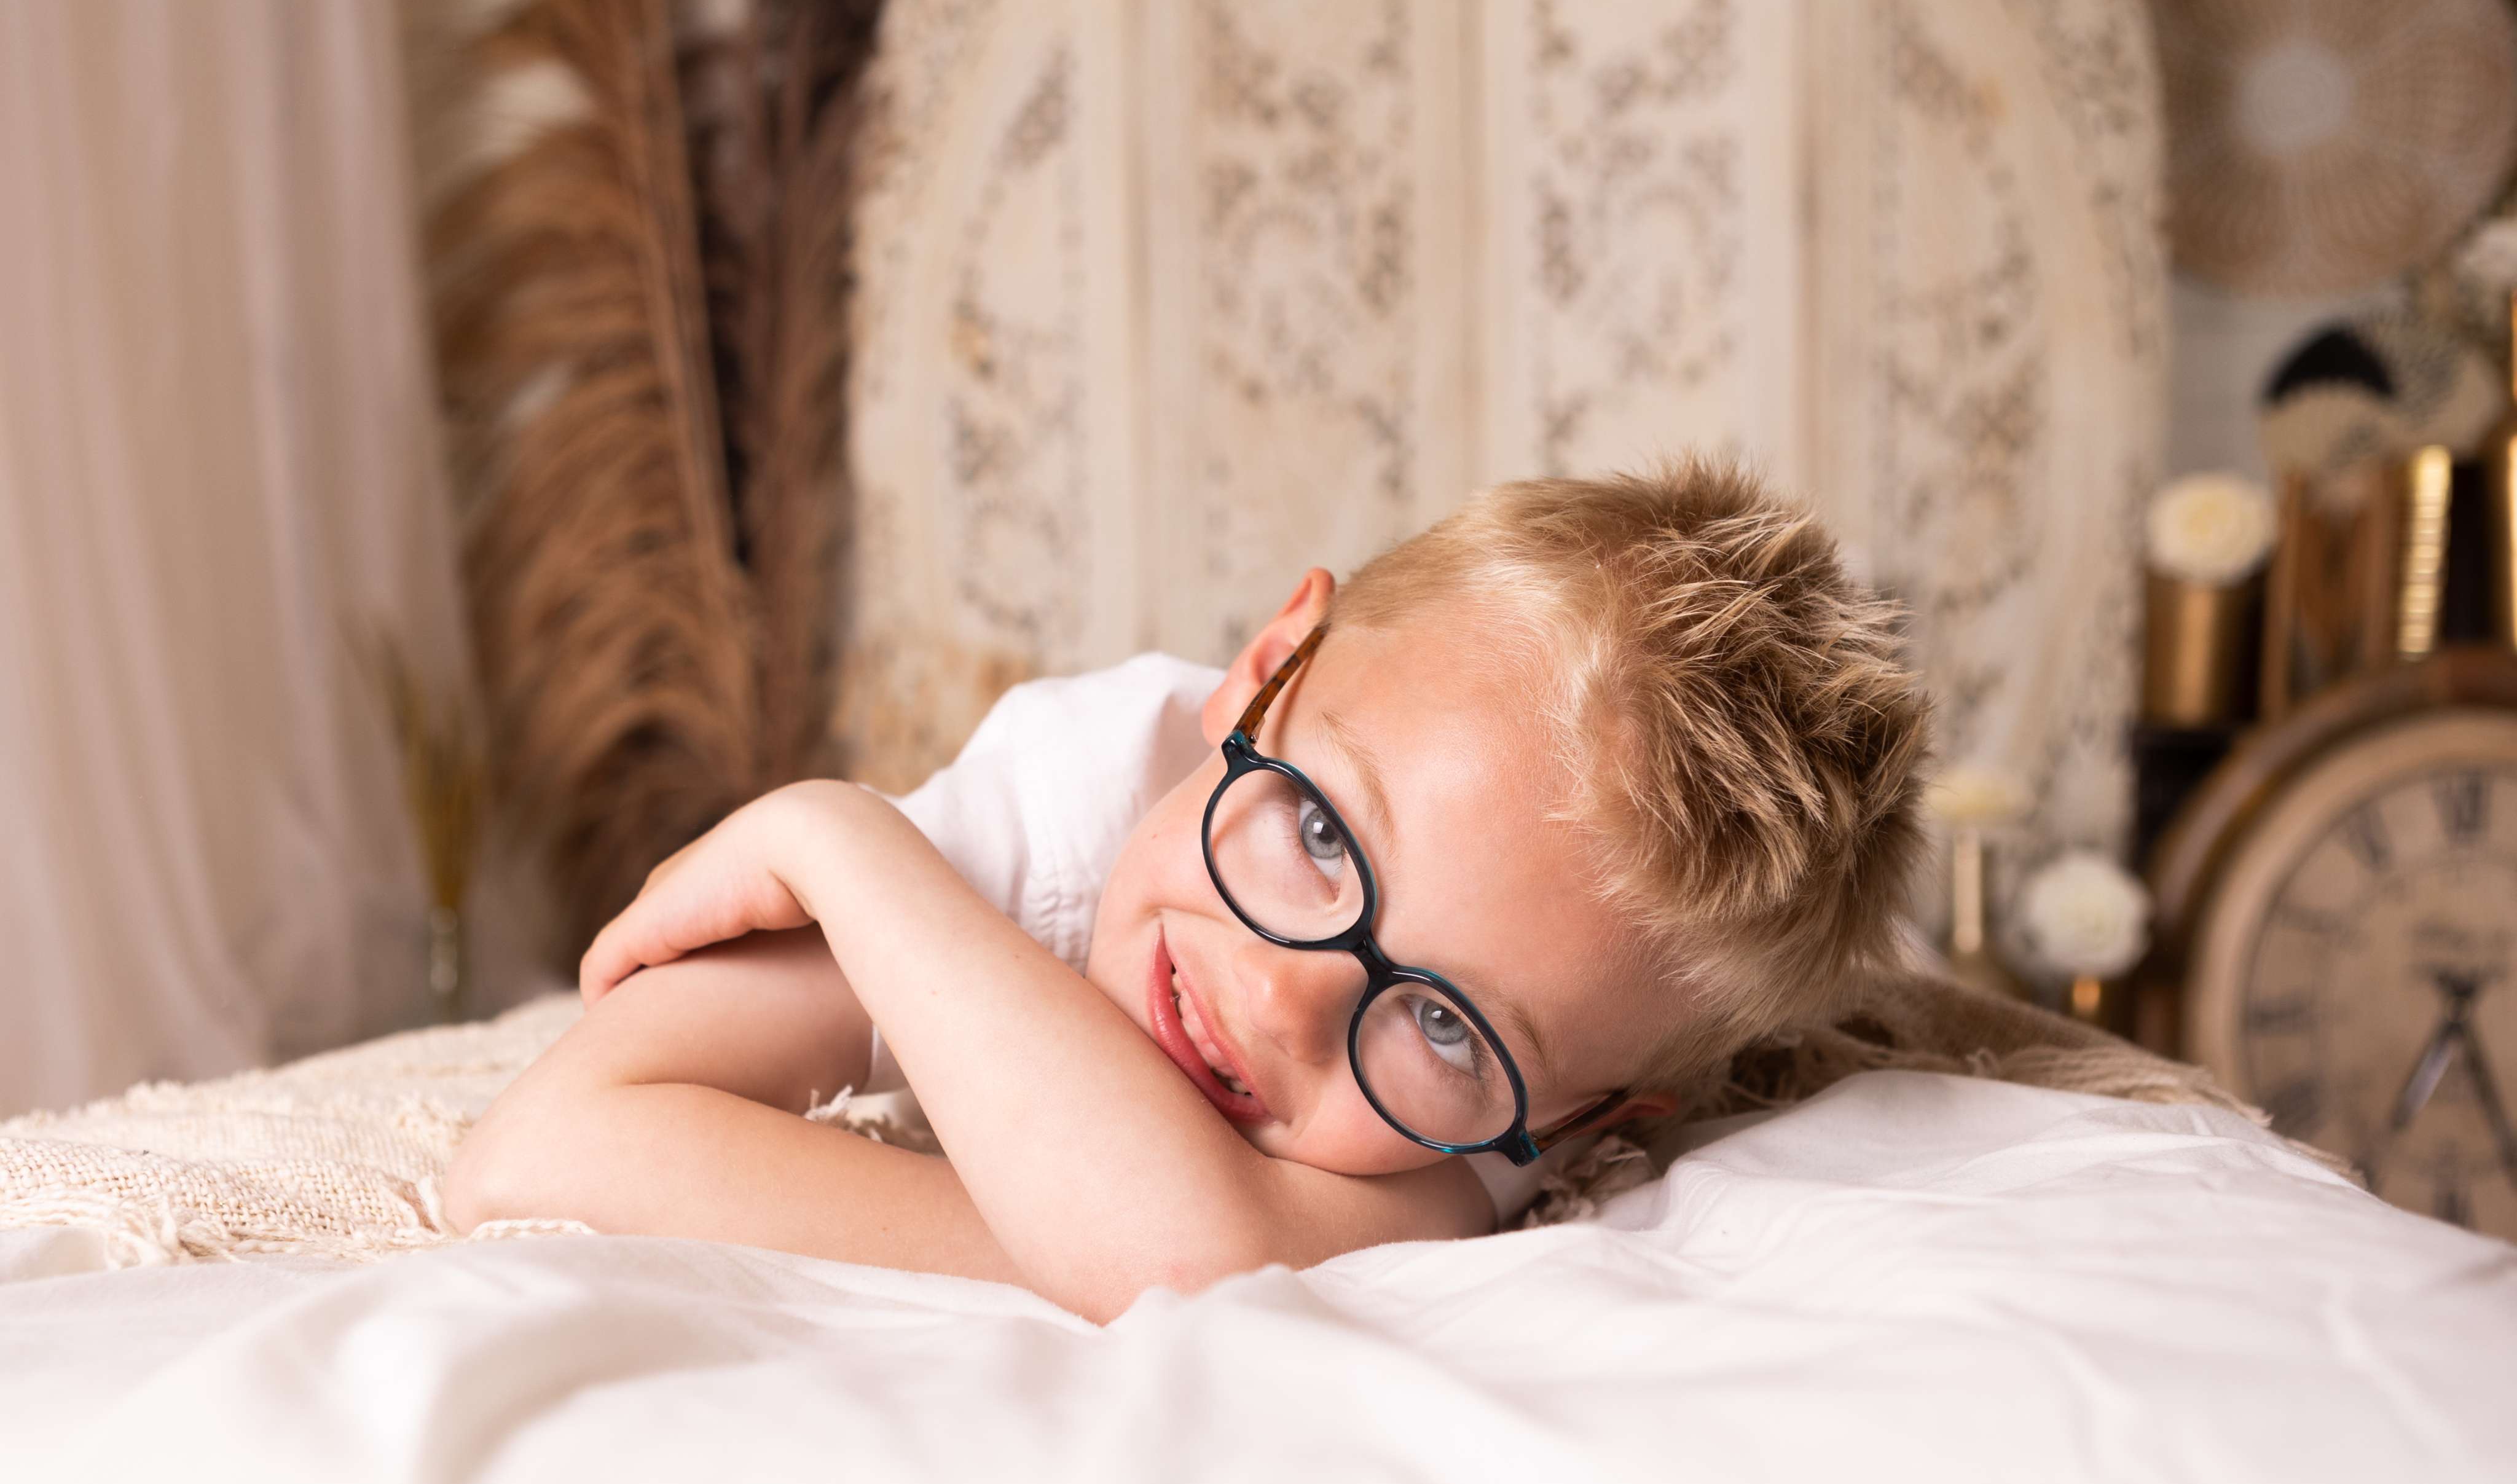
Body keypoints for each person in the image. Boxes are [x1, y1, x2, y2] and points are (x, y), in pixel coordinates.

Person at [444, 457, 1934, 1324]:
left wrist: (834, 842)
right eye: (1326, 839)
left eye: (1438, 1022)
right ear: (1265, 668)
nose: (1286, 994)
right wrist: (1073, 1199)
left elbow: (1177, 1264)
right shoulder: (1052, 810)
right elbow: (538, 1145)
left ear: (1586, 1123)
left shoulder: (1487, 1131)